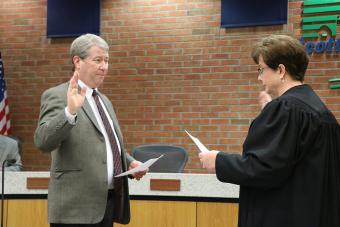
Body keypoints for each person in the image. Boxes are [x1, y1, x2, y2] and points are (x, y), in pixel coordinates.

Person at [199, 34, 340, 227]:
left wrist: (218, 161)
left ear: (281, 70)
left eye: (261, 69)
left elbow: (264, 168)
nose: (258, 77)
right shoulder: (322, 112)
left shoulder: (286, 109)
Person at [34, 34, 147, 227]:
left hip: (107, 205)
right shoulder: (58, 95)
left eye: (107, 60)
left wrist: (129, 163)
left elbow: (105, 142)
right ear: (77, 61)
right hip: (75, 210)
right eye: (98, 60)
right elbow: (43, 141)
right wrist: (69, 112)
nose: (104, 66)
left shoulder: (104, 101)